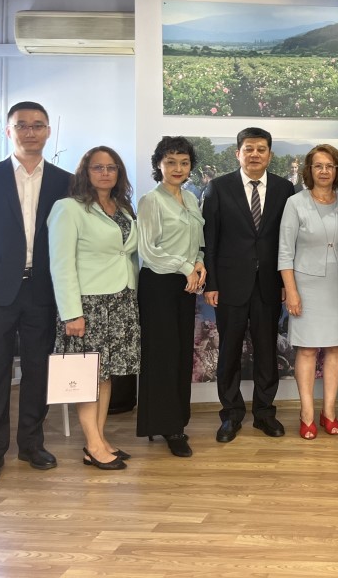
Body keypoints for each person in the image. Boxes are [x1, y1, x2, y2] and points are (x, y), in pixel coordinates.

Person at [0, 101, 72, 483]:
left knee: (38, 370)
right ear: (9, 131)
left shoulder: (64, 181)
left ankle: (31, 444)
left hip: (43, 290)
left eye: (38, 125)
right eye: (22, 125)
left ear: (48, 131)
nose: (30, 131)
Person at [48, 147, 140, 470]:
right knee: (88, 375)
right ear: (85, 172)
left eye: (111, 167)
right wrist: (71, 313)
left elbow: (127, 253)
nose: (105, 173)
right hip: (88, 305)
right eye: (98, 167)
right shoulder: (68, 208)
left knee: (105, 375)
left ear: (119, 173)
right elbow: (61, 265)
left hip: (121, 300)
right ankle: (93, 444)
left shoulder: (123, 208)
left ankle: (99, 439)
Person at [202, 127, 294, 442]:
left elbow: (287, 240)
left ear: (270, 154)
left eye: (261, 149)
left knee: (267, 351)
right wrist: (211, 283)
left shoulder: (284, 188)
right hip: (229, 284)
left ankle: (265, 414)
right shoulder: (218, 187)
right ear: (238, 153)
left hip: (269, 284)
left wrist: (286, 281)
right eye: (249, 148)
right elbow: (210, 239)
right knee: (229, 351)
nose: (255, 154)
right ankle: (231, 415)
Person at [136, 136, 206, 458]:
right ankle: (167, 426)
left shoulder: (190, 199)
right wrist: (186, 267)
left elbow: (198, 242)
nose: (178, 168)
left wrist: (199, 262)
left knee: (180, 354)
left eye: (184, 162)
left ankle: (177, 420)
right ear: (158, 165)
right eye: (171, 162)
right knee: (162, 356)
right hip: (159, 285)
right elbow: (148, 250)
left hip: (185, 286)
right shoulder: (150, 201)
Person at [279, 143, 338, 440]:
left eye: (329, 166)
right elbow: (285, 252)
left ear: (337, 170)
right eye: (318, 166)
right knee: (307, 349)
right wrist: (291, 291)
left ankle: (329, 411)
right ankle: (307, 413)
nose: (324, 171)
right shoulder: (295, 203)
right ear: (310, 170)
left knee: (335, 348)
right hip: (305, 286)